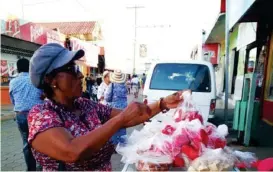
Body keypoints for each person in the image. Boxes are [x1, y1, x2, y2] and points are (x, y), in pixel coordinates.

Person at [27, 43, 187, 171]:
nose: (80, 75)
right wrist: (120, 119)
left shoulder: (84, 105)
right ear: (51, 80)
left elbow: (130, 117)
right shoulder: (41, 115)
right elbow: (72, 151)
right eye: (72, 69)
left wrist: (163, 103)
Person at [9, 58, 43, 171]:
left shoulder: (13, 82)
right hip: (37, 114)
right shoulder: (36, 79)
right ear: (29, 67)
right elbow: (43, 95)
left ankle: (31, 169)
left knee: (26, 143)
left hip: (21, 115)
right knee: (41, 140)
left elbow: (13, 100)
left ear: (17, 68)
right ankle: (42, 165)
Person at [104, 70, 128, 144]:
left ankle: (114, 143)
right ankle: (122, 142)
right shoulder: (124, 85)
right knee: (122, 125)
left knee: (114, 125)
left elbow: (107, 97)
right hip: (124, 108)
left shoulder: (112, 85)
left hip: (114, 108)